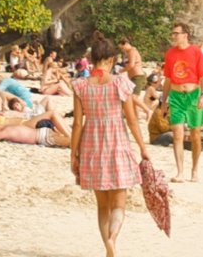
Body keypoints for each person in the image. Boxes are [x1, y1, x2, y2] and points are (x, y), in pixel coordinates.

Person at [69, 32, 150, 257]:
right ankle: (113, 239)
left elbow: (77, 124)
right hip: (117, 144)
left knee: (102, 205)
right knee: (119, 204)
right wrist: (143, 148)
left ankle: (107, 245)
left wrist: (73, 154)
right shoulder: (120, 83)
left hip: (91, 145)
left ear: (93, 59)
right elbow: (132, 120)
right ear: (112, 59)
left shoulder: (80, 85)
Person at [159, 22, 203, 181]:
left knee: (195, 135)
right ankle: (180, 172)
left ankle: (194, 170)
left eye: (176, 33)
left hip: (193, 96)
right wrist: (163, 102)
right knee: (177, 135)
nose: (173, 36)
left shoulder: (196, 52)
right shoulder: (170, 54)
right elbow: (167, 79)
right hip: (176, 96)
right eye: (173, 33)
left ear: (185, 35)